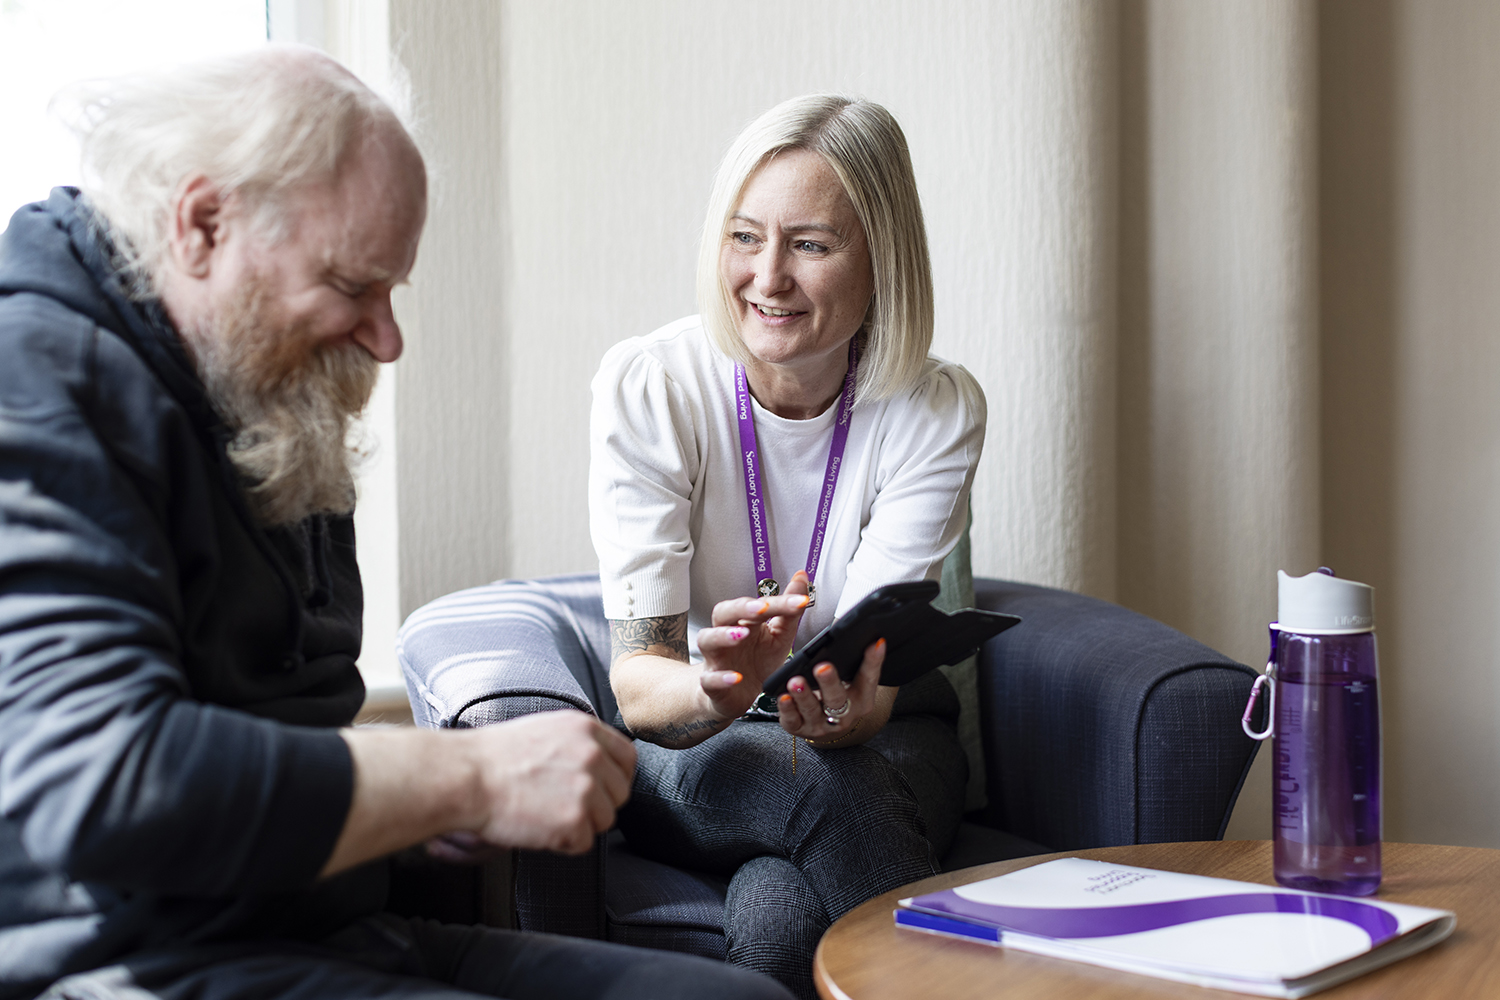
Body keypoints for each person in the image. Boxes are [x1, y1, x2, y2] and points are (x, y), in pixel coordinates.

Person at [0, 47, 791, 1000]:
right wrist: (466, 779)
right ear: (204, 224)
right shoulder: (35, 383)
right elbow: (97, 783)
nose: (387, 338)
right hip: (127, 965)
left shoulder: (258, 389)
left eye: (392, 291)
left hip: (323, 929)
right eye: (352, 285)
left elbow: (280, 730)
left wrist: (416, 808)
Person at [589, 94, 986, 998]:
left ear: (882, 259)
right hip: (698, 740)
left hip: (887, 732)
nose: (767, 277)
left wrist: (845, 714)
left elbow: (873, 685)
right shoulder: (653, 386)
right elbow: (641, 687)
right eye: (744, 237)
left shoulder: (935, 409)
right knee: (827, 794)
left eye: (809, 244)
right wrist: (720, 688)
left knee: (779, 909)